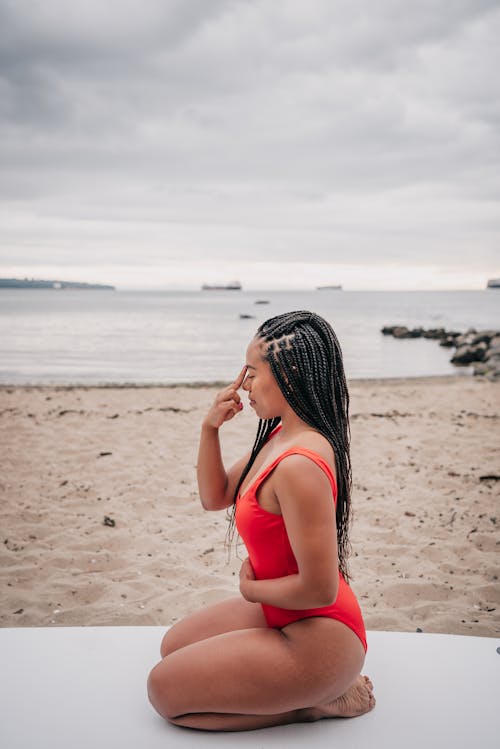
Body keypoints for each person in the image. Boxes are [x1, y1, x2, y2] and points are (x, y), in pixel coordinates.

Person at [147, 310, 375, 731]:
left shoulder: (299, 464)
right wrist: (209, 429)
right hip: (282, 611)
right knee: (171, 648)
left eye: (252, 371)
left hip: (320, 634)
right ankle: (304, 691)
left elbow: (321, 588)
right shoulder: (279, 435)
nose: (244, 384)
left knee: (163, 691)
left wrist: (251, 590)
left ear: (287, 375)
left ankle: (319, 702)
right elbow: (214, 497)